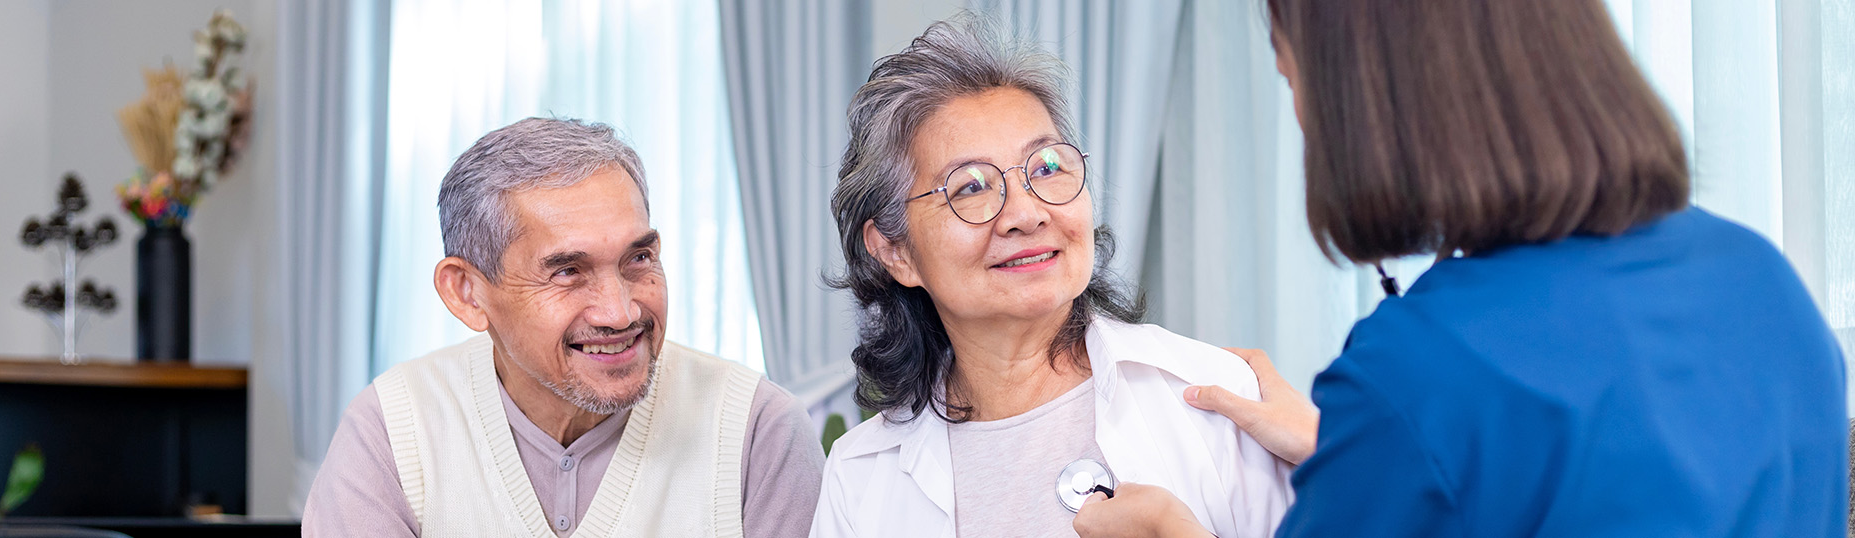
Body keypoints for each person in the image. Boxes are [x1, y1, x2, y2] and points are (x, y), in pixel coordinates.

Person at [1073, 1, 1849, 536]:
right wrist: (1362, 457)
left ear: (1371, 100)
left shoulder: (1419, 376)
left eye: (1293, 78)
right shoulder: (1758, 279)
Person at [813, 16, 1294, 538]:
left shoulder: (1217, 399)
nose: (1027, 213)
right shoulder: (860, 476)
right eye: (970, 186)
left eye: (1046, 167)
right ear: (894, 250)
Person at [302, 118, 824, 537]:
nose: (620, 313)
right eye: (568, 271)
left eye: (638, 257)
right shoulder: (393, 432)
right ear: (467, 292)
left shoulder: (759, 432)